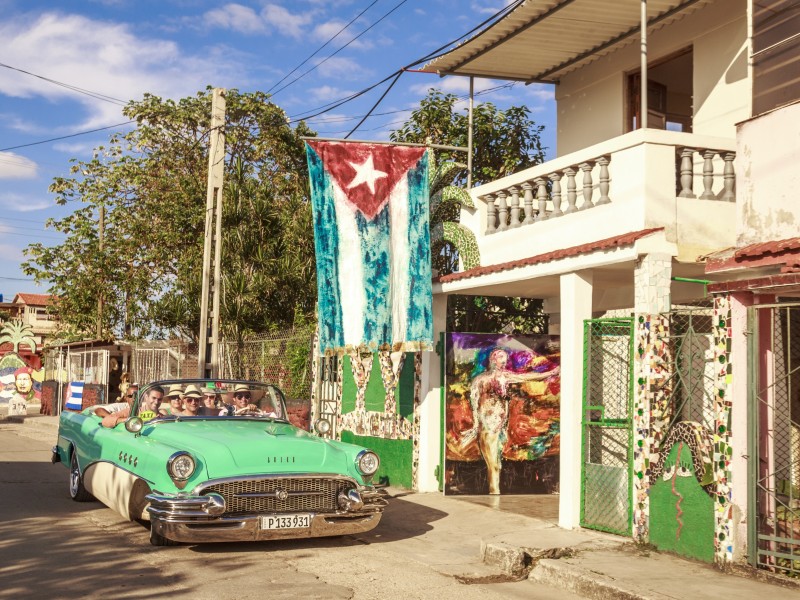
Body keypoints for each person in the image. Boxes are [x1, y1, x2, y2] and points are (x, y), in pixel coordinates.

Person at [463, 348, 559, 495]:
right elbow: (474, 402)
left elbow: (527, 377)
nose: (504, 361)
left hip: (500, 426)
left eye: (505, 358)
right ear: (493, 360)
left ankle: (495, 492)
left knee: (497, 464)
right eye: (501, 358)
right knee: (493, 464)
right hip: (488, 426)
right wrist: (476, 424)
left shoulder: (505, 377)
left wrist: (550, 373)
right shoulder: (481, 380)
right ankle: (494, 493)